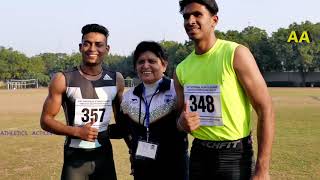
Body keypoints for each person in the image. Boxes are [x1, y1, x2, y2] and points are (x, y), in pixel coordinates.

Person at [174, 1, 275, 180]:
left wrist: (262, 170)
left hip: (235, 155)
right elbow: (180, 119)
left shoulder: (235, 54)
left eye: (197, 14)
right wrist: (182, 123)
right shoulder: (181, 69)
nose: (190, 21)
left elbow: (265, 109)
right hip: (199, 154)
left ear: (214, 20)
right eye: (186, 16)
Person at [40, 23, 124, 180]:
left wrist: (133, 151)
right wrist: (77, 132)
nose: (93, 49)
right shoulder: (63, 79)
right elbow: (45, 121)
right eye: (87, 43)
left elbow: (122, 124)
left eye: (99, 44)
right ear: (80, 47)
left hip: (104, 157)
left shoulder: (116, 79)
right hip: (75, 158)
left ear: (107, 49)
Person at [119, 41, 189, 180]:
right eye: (140, 62)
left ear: (164, 65)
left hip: (175, 167)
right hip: (143, 167)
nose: (145, 66)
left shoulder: (177, 90)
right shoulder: (128, 97)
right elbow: (125, 129)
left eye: (151, 61)